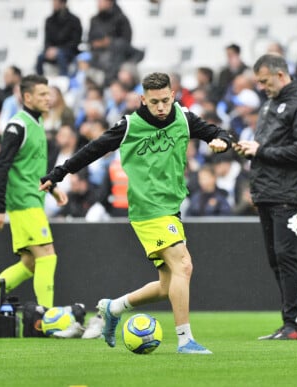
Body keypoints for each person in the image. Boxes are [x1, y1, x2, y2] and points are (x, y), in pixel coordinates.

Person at [39, 72, 231, 354]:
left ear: (173, 96)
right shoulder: (130, 125)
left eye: (166, 100)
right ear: (143, 99)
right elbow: (92, 150)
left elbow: (217, 132)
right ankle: (184, 340)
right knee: (184, 266)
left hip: (171, 208)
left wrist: (222, 141)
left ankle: (113, 307)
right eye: (155, 102)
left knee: (168, 285)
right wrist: (58, 173)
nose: (162, 107)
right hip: (147, 208)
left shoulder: (184, 117)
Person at [0, 75, 69, 337]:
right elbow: (3, 165)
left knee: (31, 263)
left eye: (49, 94)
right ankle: (47, 320)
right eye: (42, 94)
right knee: (47, 255)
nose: (48, 98)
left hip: (33, 199)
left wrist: (52, 189)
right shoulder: (17, 125)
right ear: (27, 97)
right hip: (22, 202)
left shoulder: (37, 123)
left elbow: (29, 168)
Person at [234, 54, 297, 340]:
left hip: (290, 192)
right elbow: (268, 147)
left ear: (281, 75)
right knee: (276, 258)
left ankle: (293, 325)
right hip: (268, 191)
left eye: (264, 81)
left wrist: (260, 152)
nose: (261, 87)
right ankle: (288, 323)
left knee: (286, 256)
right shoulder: (271, 104)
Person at [35, 0, 83, 76]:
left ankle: (63, 79)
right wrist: (49, 49)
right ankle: (39, 80)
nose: (53, 4)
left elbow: (76, 41)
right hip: (52, 51)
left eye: (56, 2)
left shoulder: (74, 20)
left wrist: (58, 50)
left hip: (69, 51)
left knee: (60, 55)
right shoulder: (49, 20)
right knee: (40, 57)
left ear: (63, 3)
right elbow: (47, 40)